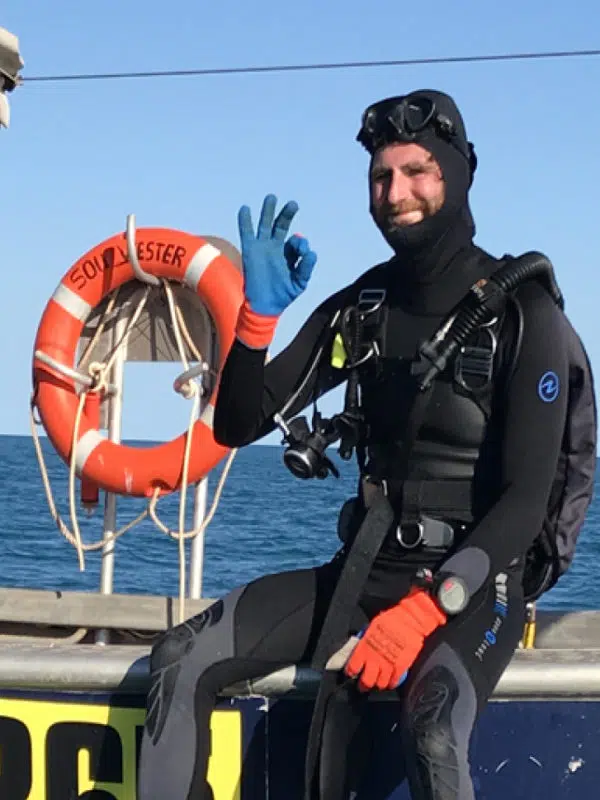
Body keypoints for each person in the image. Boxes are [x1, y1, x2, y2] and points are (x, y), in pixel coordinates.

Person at [138, 89, 578, 799]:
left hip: (478, 584)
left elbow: (525, 502)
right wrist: (255, 322)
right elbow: (237, 425)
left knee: (431, 726)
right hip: (369, 565)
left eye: (416, 172)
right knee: (180, 656)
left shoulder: (523, 315)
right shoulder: (362, 308)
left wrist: (428, 609)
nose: (395, 193)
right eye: (381, 178)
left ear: (458, 175)